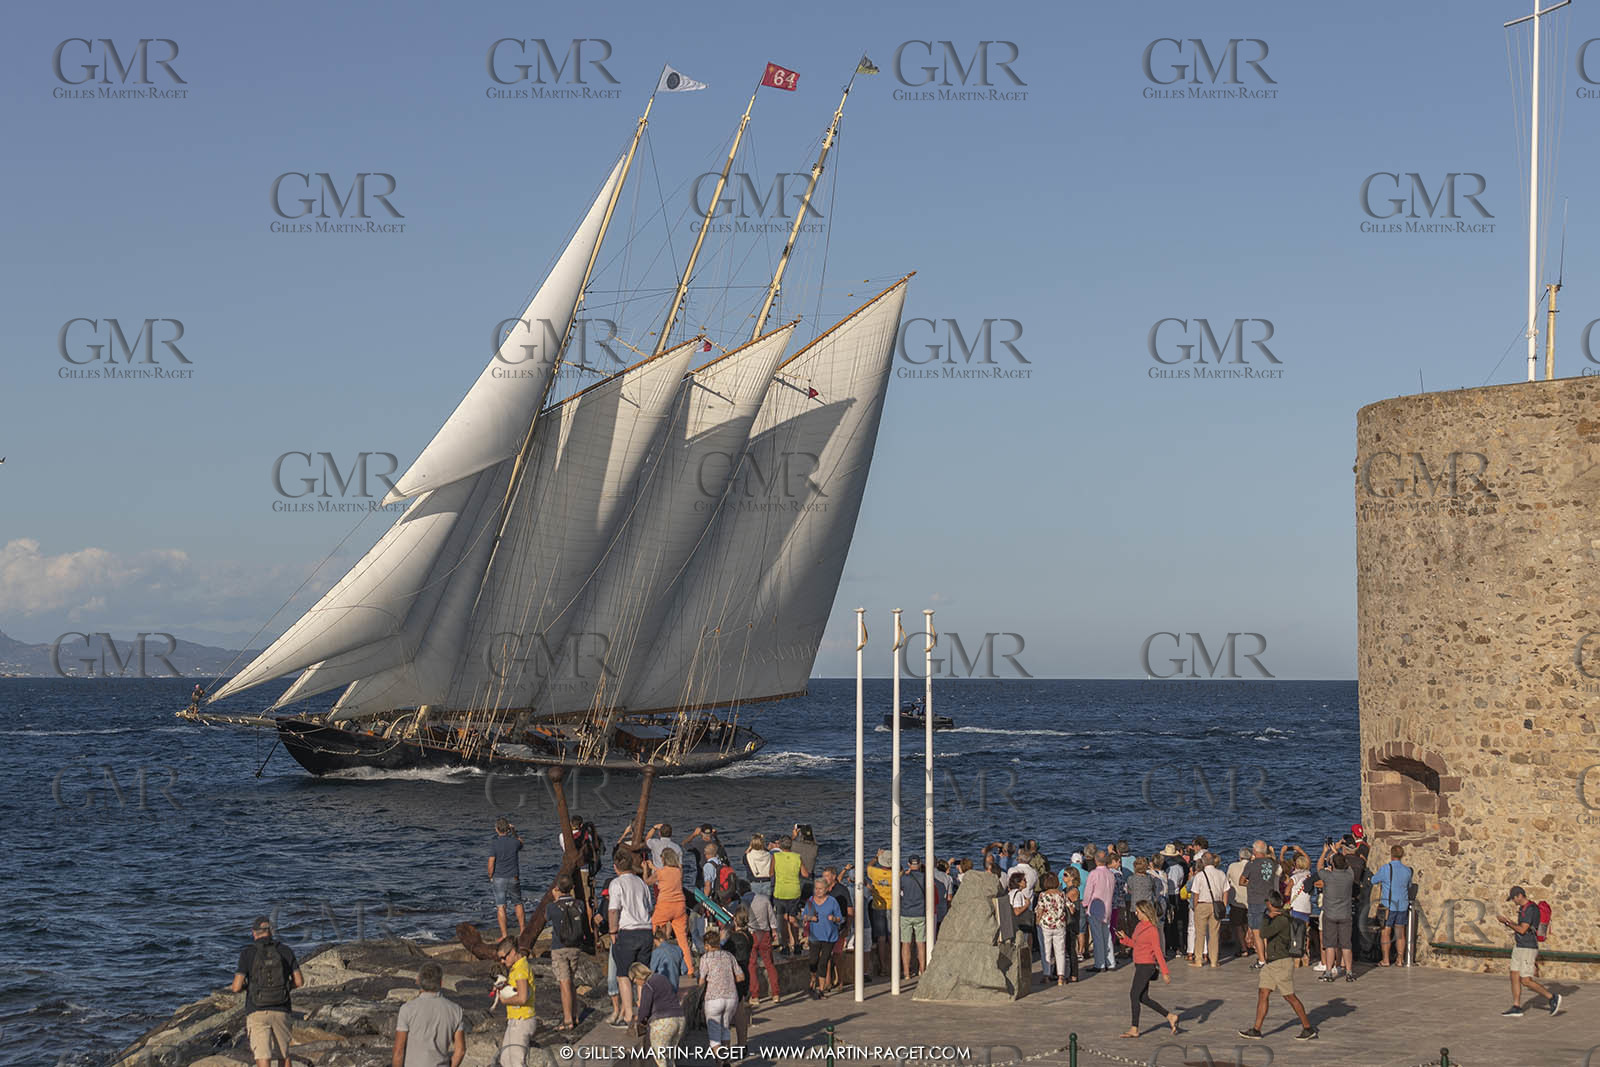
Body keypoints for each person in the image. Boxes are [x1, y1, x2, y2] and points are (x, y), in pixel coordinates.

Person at [1238, 891, 1318, 1041]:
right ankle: (1256, 1029)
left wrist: (1266, 918)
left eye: (1267, 903)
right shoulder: (1277, 917)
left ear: (1270, 904)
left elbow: (1264, 933)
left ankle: (1308, 1028)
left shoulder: (1281, 920)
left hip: (1282, 962)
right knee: (1263, 993)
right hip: (1272, 962)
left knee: (1289, 996)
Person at [232, 917, 304, 1067]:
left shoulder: (248, 953)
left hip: (257, 1010)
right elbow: (299, 982)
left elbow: (236, 987)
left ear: (254, 933)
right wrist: (286, 987)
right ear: (271, 931)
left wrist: (249, 987)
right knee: (284, 1055)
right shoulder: (285, 950)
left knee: (263, 1056)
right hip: (281, 1008)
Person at [1115, 901, 1177, 1039]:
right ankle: (1170, 1016)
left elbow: (1158, 952)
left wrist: (1165, 972)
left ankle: (1134, 1028)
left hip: (1147, 966)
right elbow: (1135, 944)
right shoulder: (1139, 926)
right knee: (1143, 997)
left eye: (1138, 911)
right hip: (1139, 964)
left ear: (1144, 912)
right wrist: (1124, 939)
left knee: (1133, 995)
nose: (1136, 913)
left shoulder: (1152, 930)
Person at [1497, 887, 1562, 1017]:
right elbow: (1522, 928)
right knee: (1514, 975)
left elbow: (1522, 930)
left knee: (1525, 980)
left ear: (1519, 896)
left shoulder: (1531, 909)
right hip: (1519, 946)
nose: (1513, 901)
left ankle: (1552, 997)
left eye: (1513, 898)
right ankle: (1516, 1006)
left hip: (1528, 948)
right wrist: (1509, 923)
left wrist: (1507, 922)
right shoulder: (1523, 909)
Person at [608, 851, 654, 1026]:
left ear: (616, 867)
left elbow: (613, 910)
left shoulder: (616, 884)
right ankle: (643, 1014)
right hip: (646, 930)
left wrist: (613, 932)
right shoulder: (641, 883)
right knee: (641, 974)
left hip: (627, 931)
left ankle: (628, 1015)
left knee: (623, 974)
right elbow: (649, 908)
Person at [393, 962, 465, 1067]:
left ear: (419, 981)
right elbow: (460, 1050)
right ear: (441, 983)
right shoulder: (455, 1010)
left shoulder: (407, 1009)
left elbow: (398, 1052)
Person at [643, 848, 694, 976]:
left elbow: (646, 882)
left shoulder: (661, 872)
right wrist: (654, 866)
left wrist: (646, 869)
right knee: (682, 939)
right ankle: (689, 968)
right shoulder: (678, 871)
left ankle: (652, 963)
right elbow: (664, 873)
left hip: (665, 906)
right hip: (680, 906)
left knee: (653, 932)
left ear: (664, 859)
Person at [547, 875, 587, 1031]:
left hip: (559, 947)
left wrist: (556, 899)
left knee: (564, 983)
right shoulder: (580, 904)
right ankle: (575, 1014)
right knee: (571, 980)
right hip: (575, 947)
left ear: (558, 888)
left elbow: (547, 917)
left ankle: (568, 1019)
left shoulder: (552, 907)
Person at [698, 921, 745, 1052]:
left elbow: (701, 981)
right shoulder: (729, 956)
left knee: (714, 1035)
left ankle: (721, 1061)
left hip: (713, 999)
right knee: (725, 1029)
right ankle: (726, 1056)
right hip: (731, 998)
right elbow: (741, 977)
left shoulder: (705, 958)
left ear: (707, 945)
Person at [630, 961, 684, 1067]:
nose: (635, 982)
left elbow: (645, 1010)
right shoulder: (661, 977)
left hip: (663, 1023)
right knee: (669, 1057)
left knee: (661, 1059)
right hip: (680, 1019)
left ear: (638, 975)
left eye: (634, 980)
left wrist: (639, 1019)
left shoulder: (648, 985)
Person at [492, 938, 537, 1067]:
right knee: (506, 1059)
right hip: (516, 1019)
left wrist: (504, 1000)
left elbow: (522, 998)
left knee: (516, 1061)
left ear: (512, 952)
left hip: (522, 1020)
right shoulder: (517, 967)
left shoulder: (520, 970)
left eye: (503, 957)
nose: (502, 961)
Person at [1315, 846, 1356, 982]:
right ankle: (1349, 972)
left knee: (1330, 945)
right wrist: (1337, 852)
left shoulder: (1328, 876)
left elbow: (1319, 866)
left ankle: (1328, 972)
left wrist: (1324, 851)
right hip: (1345, 914)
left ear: (1332, 864)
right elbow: (1348, 865)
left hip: (1330, 914)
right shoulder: (1349, 876)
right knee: (1346, 945)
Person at [799, 877, 844, 998]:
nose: (817, 891)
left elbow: (840, 918)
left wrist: (833, 919)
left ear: (826, 889)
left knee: (823, 962)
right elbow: (803, 917)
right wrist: (810, 918)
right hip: (815, 936)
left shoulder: (832, 901)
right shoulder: (810, 901)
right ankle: (813, 980)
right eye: (816, 888)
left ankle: (821, 989)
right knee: (813, 961)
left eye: (820, 889)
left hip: (829, 936)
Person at [1370, 845, 1413, 966]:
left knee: (1386, 932)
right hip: (1402, 904)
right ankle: (1400, 960)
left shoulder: (1385, 869)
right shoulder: (1407, 870)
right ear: (1402, 855)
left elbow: (1373, 880)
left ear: (1391, 854)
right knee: (1400, 933)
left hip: (1388, 905)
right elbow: (1409, 885)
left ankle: (1386, 959)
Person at [1240, 840, 1281, 966]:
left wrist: (1251, 884)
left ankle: (1262, 959)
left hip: (1255, 900)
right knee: (1267, 930)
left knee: (1257, 932)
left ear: (1254, 851)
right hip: (1269, 900)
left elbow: (1241, 881)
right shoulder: (1273, 864)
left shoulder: (1251, 865)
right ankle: (1269, 955)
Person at [488, 817, 527, 941]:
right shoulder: (514, 842)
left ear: (496, 829)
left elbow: (491, 863)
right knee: (518, 903)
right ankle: (522, 930)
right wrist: (514, 831)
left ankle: (504, 935)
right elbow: (521, 842)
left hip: (499, 877)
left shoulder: (494, 843)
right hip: (513, 877)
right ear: (508, 829)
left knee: (501, 906)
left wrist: (490, 876)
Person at [1188, 852, 1229, 968]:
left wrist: (1195, 907)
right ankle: (1214, 961)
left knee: (1200, 934)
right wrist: (1224, 905)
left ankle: (1198, 960)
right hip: (1217, 905)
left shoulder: (1200, 875)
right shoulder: (1221, 874)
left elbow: (1195, 893)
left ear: (1204, 862)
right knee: (1214, 934)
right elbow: (1226, 891)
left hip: (1202, 905)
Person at [771, 835, 808, 954]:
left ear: (780, 845)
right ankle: (797, 944)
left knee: (783, 919)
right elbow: (805, 874)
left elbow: (771, 872)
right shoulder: (797, 857)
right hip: (794, 891)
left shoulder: (775, 857)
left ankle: (785, 945)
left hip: (780, 891)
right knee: (793, 918)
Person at [724, 910, 756, 1044]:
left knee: (729, 1013)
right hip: (745, 972)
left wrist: (723, 936)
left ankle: (726, 1047)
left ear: (736, 921)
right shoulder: (749, 935)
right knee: (740, 1009)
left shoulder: (735, 938)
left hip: (735, 974)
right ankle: (742, 1043)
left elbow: (724, 951)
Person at [1035, 872, 1072, 987]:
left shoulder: (1043, 895)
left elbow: (1040, 910)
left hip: (1045, 925)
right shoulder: (1061, 894)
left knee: (1046, 951)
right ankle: (1061, 976)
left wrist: (1037, 921)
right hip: (1060, 925)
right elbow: (1071, 908)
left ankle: (1046, 975)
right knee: (1060, 951)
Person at [747, 885, 781, 1003]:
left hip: (752, 934)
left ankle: (755, 995)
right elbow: (771, 917)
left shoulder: (744, 900)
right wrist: (774, 930)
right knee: (769, 964)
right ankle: (776, 993)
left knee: (752, 965)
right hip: (765, 933)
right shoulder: (765, 899)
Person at [1084, 851, 1116, 972]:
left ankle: (1100, 964)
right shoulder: (1110, 874)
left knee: (1097, 936)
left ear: (1096, 860)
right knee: (1106, 935)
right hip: (1107, 907)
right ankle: (1110, 962)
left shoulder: (1094, 873)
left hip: (1096, 908)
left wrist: (1085, 904)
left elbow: (1088, 892)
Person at [823, 866, 854, 990]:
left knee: (837, 955)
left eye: (827, 876)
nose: (824, 878)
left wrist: (848, 927)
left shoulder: (842, 890)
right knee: (826, 955)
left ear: (833, 877)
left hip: (839, 926)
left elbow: (850, 909)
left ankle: (840, 980)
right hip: (825, 927)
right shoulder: (823, 890)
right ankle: (827, 981)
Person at [865, 848, 895, 977]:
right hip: (892, 906)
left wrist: (876, 857)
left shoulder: (875, 872)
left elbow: (868, 866)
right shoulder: (896, 874)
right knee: (892, 937)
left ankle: (883, 967)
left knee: (881, 938)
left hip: (878, 907)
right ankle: (894, 965)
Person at [900, 856, 930, 979]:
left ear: (908, 864)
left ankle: (906, 973)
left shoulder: (904, 878)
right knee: (920, 944)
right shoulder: (925, 878)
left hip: (906, 913)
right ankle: (922, 970)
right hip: (920, 913)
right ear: (920, 863)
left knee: (906, 944)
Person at [1226, 848, 1252, 958]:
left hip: (1237, 901)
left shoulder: (1232, 866)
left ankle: (1243, 948)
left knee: (1238, 926)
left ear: (1240, 857)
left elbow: (1227, 881)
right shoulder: (1253, 866)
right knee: (1247, 925)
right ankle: (1250, 944)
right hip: (1251, 900)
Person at [745, 833, 774, 897]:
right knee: (767, 903)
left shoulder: (748, 856)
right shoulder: (769, 855)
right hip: (767, 881)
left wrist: (750, 847)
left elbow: (744, 858)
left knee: (756, 903)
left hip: (755, 882)